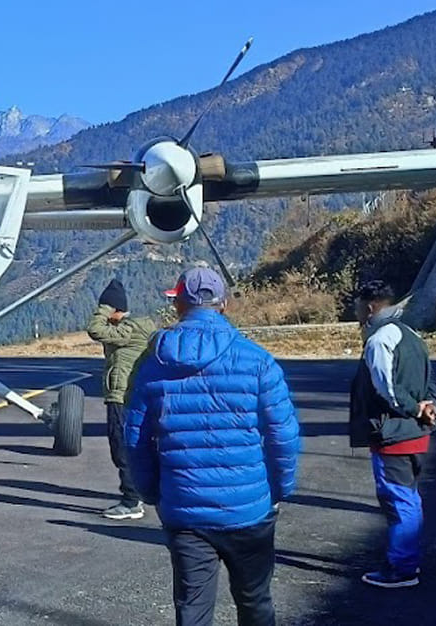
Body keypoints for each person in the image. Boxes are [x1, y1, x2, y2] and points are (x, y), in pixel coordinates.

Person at [125, 267, 300, 626]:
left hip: (185, 512)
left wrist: (152, 492)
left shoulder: (153, 364)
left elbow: (135, 438)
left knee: (193, 609)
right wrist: (279, 489)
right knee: (255, 601)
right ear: (224, 304)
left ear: (178, 305)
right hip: (249, 509)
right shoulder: (257, 361)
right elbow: (283, 435)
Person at [347, 279, 436, 589]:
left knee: (398, 500)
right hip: (415, 433)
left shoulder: (380, 340)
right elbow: (431, 379)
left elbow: (385, 389)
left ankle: (402, 567)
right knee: (409, 497)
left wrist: (415, 408)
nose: (356, 313)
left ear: (370, 307)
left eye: (358, 307)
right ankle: (406, 558)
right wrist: (430, 406)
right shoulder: (412, 334)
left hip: (393, 433)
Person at [86, 277, 157, 520]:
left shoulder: (129, 329)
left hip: (122, 396)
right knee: (131, 446)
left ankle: (131, 501)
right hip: (130, 395)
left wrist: (104, 308)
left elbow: (95, 330)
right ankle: (140, 493)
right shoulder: (131, 329)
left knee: (122, 447)